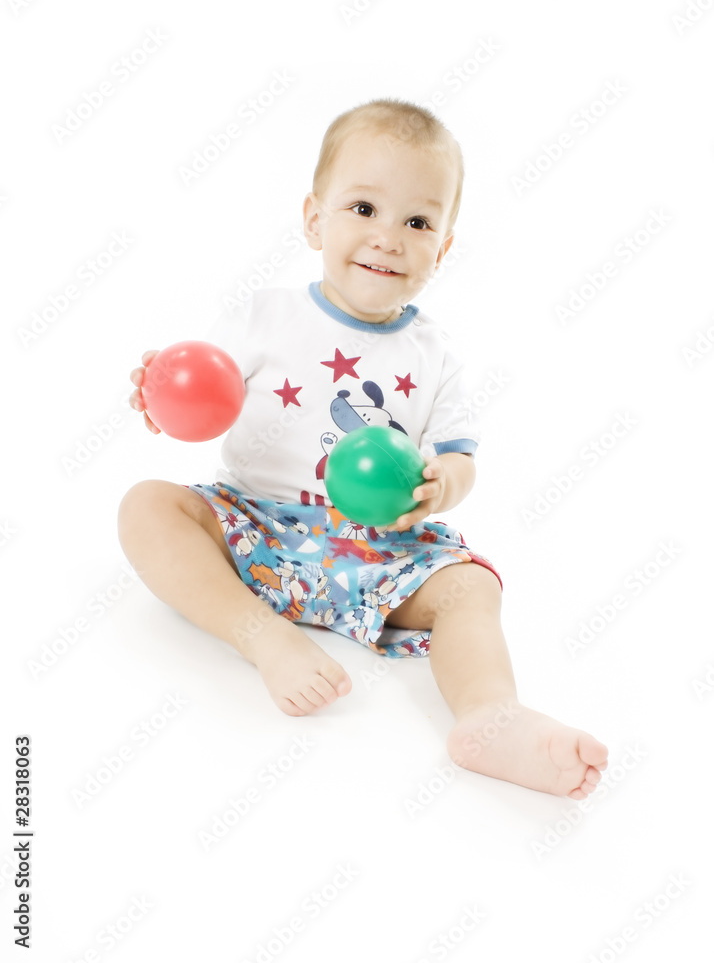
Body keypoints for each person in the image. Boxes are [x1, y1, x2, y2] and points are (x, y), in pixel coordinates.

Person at [118, 97, 609, 800]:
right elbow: (201, 392)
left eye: (417, 222)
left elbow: (461, 457)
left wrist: (443, 484)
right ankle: (260, 635)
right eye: (363, 209)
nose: (387, 238)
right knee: (147, 507)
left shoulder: (434, 353)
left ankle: (491, 718)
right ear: (315, 219)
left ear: (442, 248)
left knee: (472, 586)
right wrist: (157, 392)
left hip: (375, 547)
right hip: (253, 526)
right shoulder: (268, 315)